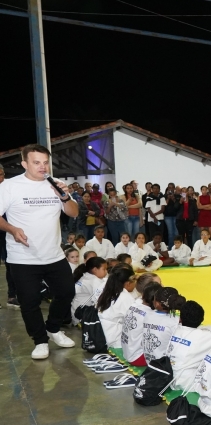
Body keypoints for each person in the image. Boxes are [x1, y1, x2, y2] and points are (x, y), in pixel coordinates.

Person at [0, 145, 80, 356]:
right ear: (25, 163)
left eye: (45, 162)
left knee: (66, 292)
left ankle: (53, 328)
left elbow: (73, 212)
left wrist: (63, 196)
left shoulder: (54, 184)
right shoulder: (10, 186)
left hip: (53, 254)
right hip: (23, 257)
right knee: (29, 301)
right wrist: (12, 228)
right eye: (36, 162)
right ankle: (40, 341)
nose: (42, 167)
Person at [168, 301, 211, 391]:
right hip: (188, 384)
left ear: (180, 318)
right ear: (201, 320)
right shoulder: (204, 336)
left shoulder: (176, 329)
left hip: (168, 376)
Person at [122, 279, 161, 366]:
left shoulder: (134, 304)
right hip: (138, 357)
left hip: (127, 351)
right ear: (156, 302)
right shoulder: (150, 315)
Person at [96, 264, 136, 349]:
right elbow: (134, 321)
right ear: (128, 283)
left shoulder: (107, 292)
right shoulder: (125, 297)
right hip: (114, 339)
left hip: (100, 333)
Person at [143, 287, 184, 364]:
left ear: (157, 303)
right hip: (164, 366)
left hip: (148, 361)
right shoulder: (175, 321)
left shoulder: (148, 315)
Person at [70, 256, 108, 325]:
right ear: (95, 269)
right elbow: (101, 300)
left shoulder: (85, 276)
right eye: (104, 269)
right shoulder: (94, 281)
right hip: (81, 317)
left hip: (75, 313)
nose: (106, 272)